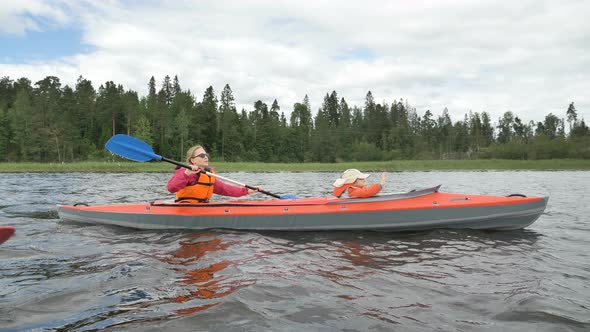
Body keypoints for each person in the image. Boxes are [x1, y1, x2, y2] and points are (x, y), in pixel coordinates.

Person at [167, 145, 259, 203]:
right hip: (186, 209)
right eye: (202, 156)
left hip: (202, 208)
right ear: (192, 160)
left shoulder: (208, 175)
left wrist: (247, 191)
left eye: (206, 155)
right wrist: (186, 174)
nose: (205, 157)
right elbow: (171, 188)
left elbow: (225, 189)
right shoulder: (185, 172)